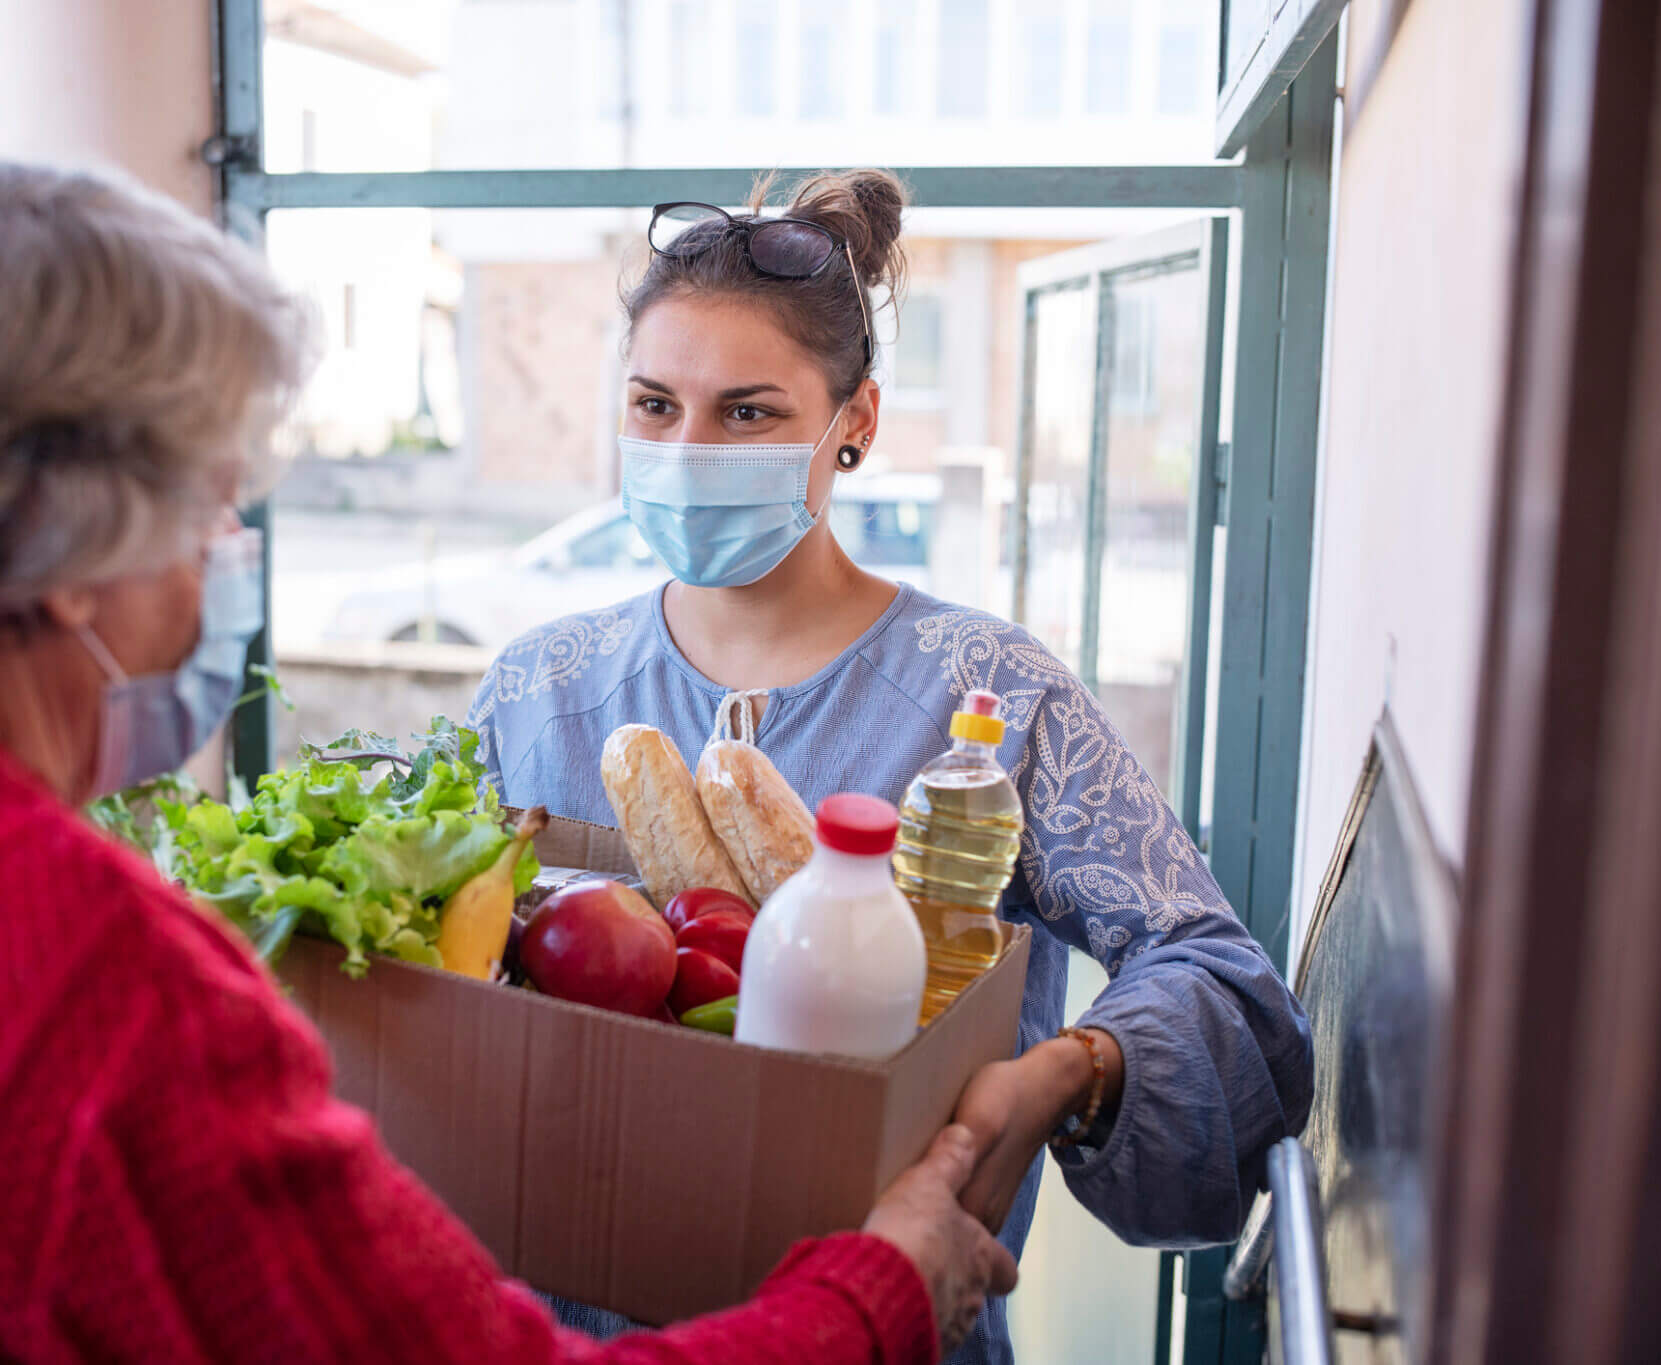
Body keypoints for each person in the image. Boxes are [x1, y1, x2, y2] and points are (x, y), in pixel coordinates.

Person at [0, 156, 1017, 1364]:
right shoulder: (93, 981)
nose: (228, 557)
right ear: (70, 543)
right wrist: (879, 1287)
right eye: (213, 505)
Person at [467, 169, 1315, 1364]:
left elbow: (1226, 992)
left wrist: (1064, 1074)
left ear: (852, 421)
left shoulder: (992, 698)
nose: (686, 448)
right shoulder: (534, 688)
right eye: (654, 406)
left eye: (748, 414)